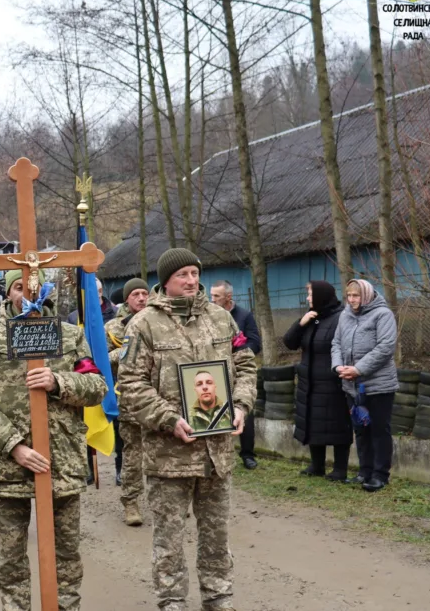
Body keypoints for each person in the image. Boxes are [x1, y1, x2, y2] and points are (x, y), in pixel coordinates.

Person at [117, 248, 256, 611]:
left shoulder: (221, 319)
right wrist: (168, 419)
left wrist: (240, 406)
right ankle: (172, 602)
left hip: (216, 454)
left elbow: (245, 366)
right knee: (169, 540)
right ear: (166, 281)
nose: (192, 281)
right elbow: (130, 384)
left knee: (216, 536)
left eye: (195, 273)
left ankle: (218, 598)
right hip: (169, 457)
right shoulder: (144, 324)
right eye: (183, 275)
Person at [0, 269, 107, 610]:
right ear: (9, 293)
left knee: (66, 553)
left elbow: (97, 388)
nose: (26, 293)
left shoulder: (70, 336)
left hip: (62, 463)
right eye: (18, 286)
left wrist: (60, 382)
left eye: (34, 285)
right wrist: (15, 446)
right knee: (12, 556)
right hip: (11, 465)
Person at [331, 278, 398, 492]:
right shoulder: (345, 315)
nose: (352, 300)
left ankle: (380, 475)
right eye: (349, 296)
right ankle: (364, 471)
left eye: (356, 296)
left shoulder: (383, 314)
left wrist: (358, 369)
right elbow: (336, 343)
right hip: (351, 386)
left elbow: (386, 347)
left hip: (378, 386)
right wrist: (338, 367)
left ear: (366, 295)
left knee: (379, 430)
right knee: (361, 429)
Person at [282, 281, 351, 481]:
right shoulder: (312, 317)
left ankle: (340, 469)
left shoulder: (341, 318)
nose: (308, 298)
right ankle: (317, 465)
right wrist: (300, 323)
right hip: (309, 381)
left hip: (332, 381)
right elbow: (290, 342)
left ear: (321, 296)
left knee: (337, 424)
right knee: (313, 421)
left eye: (311, 294)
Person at [105, 277, 149, 526]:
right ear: (127, 298)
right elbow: (102, 358)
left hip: (160, 397)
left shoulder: (158, 321)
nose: (141, 298)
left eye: (145, 294)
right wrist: (127, 348)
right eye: (136, 295)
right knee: (133, 453)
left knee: (162, 453)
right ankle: (131, 502)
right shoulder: (114, 327)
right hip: (129, 397)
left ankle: (164, 500)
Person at [210, 279, 261, 470]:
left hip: (238, 371)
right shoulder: (209, 316)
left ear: (228, 297)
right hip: (215, 372)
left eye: (217, 296)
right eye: (211, 295)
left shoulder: (244, 316)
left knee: (244, 412)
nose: (212, 300)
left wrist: (238, 354)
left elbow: (255, 343)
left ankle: (248, 454)